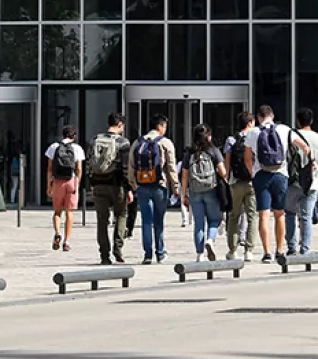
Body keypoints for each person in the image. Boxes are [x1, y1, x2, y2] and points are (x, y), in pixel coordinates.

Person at [243, 105, 310, 264]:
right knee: (280, 213)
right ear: (272, 116)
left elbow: (247, 158)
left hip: (261, 175)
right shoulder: (285, 129)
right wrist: (311, 162)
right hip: (281, 175)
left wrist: (252, 173)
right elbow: (304, 147)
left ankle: (267, 252)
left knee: (264, 214)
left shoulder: (253, 132)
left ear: (259, 117)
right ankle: (280, 249)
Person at [128, 114, 180, 264]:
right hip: (160, 186)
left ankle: (148, 254)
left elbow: (131, 166)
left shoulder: (137, 142)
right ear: (161, 126)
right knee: (159, 220)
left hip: (142, 186)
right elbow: (171, 167)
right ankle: (160, 252)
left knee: (146, 220)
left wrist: (134, 184)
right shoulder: (165, 143)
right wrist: (175, 187)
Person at [88, 112, 133, 265]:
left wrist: (92, 184)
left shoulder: (95, 140)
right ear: (120, 124)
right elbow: (125, 168)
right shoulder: (123, 142)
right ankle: (118, 248)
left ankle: (104, 255)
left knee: (102, 220)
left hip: (99, 184)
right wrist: (129, 189)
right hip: (117, 185)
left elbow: (89, 163)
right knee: (121, 214)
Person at [286, 108, 318, 256]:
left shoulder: (291, 136)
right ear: (311, 121)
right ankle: (305, 248)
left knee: (290, 213)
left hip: (293, 181)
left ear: (298, 121)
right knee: (307, 217)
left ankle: (291, 247)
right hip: (312, 182)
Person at [181, 124, 228, 262]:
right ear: (208, 136)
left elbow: (184, 175)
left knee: (198, 223)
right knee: (214, 220)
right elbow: (223, 172)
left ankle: (199, 254)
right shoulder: (213, 150)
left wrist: (184, 194)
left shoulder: (189, 153)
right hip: (211, 190)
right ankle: (210, 240)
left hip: (195, 191)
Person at [222, 112, 259, 261]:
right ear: (250, 123)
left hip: (235, 182)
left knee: (233, 217)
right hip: (253, 181)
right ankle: (249, 250)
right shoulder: (256, 138)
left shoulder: (231, 140)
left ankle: (232, 250)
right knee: (252, 216)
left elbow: (227, 163)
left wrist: (226, 179)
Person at [45, 125, 85, 253]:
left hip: (58, 181)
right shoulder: (77, 148)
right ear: (74, 136)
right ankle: (67, 242)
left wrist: (49, 185)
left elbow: (50, 169)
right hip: (71, 181)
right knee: (69, 212)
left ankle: (57, 233)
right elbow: (79, 169)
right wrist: (77, 182)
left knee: (57, 212)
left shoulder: (54, 147)